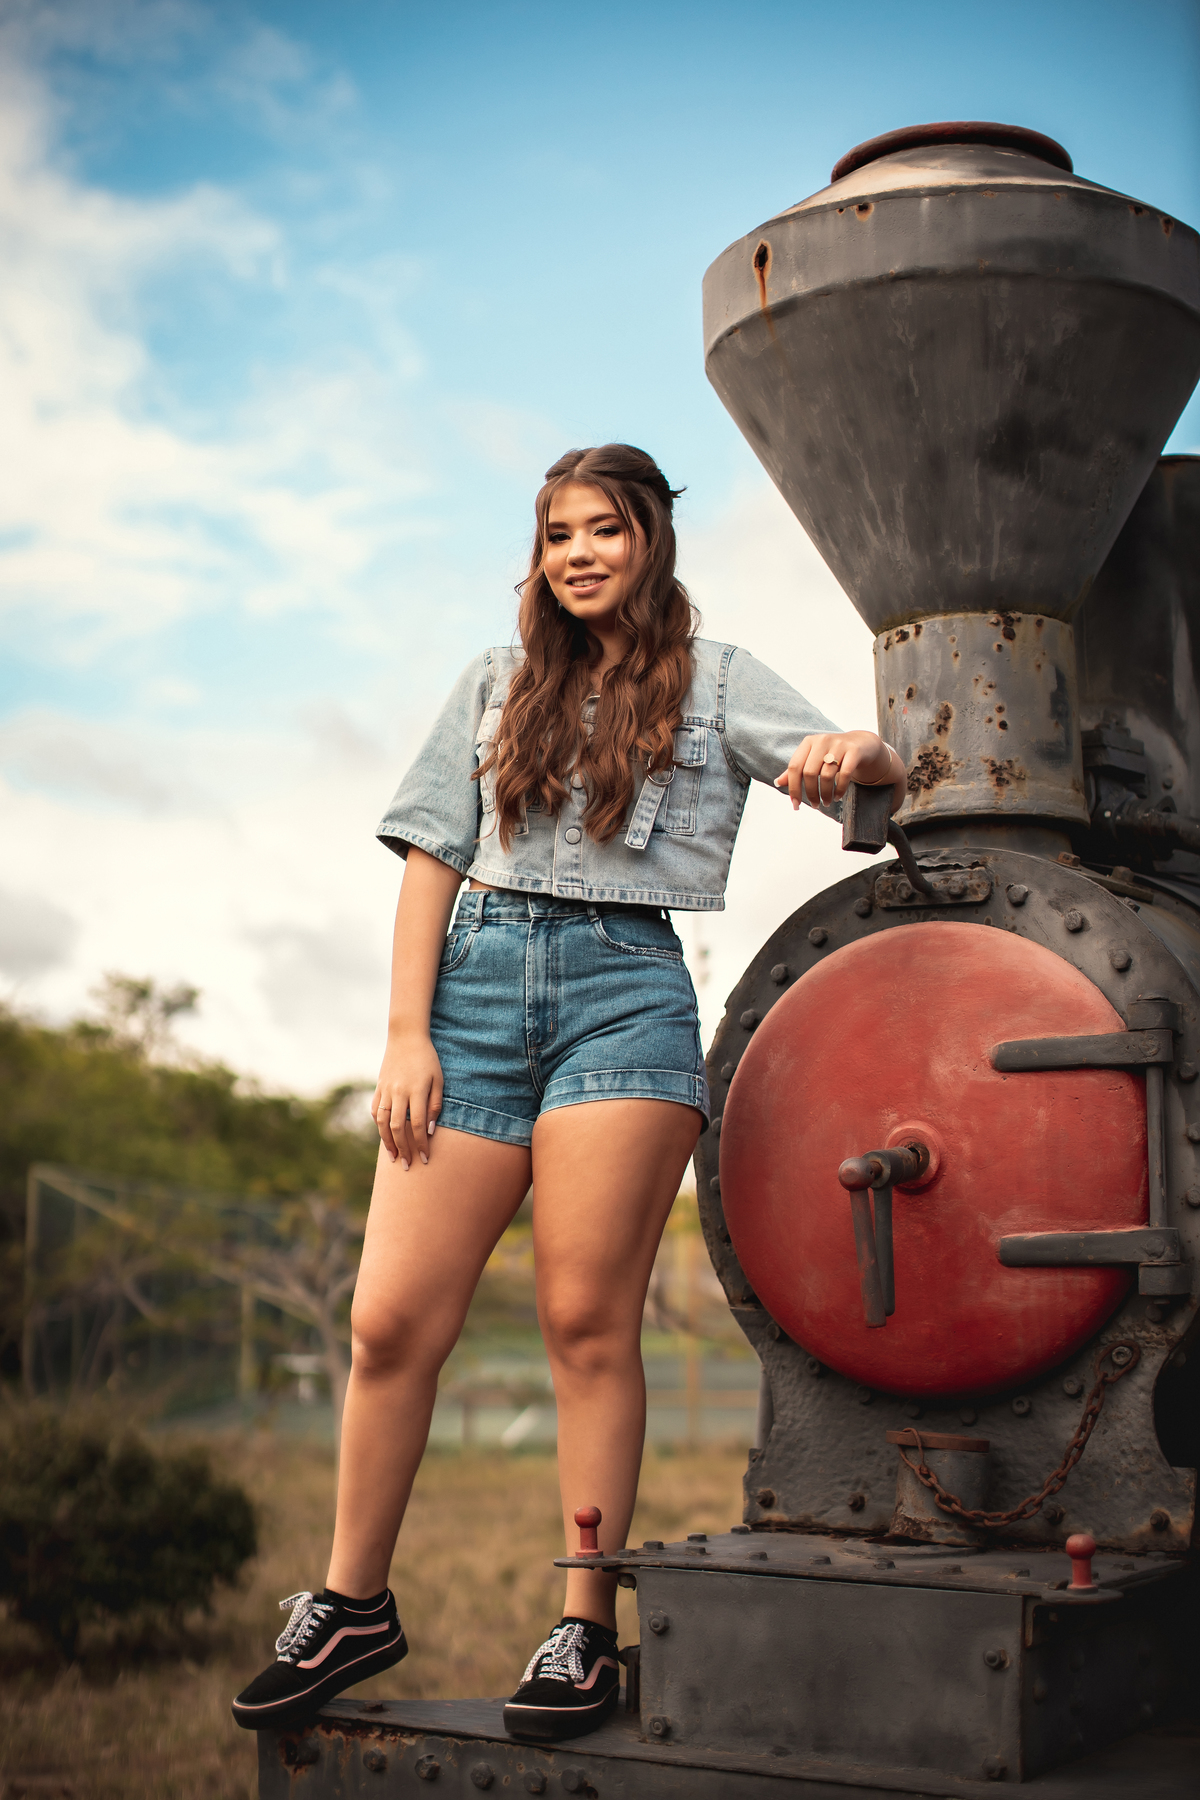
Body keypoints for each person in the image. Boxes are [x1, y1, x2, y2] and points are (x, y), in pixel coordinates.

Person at [231, 444, 905, 1741]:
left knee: (585, 1319)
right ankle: (351, 1603)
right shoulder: (494, 681)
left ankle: (583, 1630)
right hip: (471, 1005)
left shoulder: (715, 681)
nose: (581, 552)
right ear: (538, 556)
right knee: (386, 1325)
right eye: (558, 535)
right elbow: (432, 852)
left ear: (649, 540)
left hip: (623, 994)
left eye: (605, 528)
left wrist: (853, 755)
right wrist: (404, 1035)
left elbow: (855, 772)